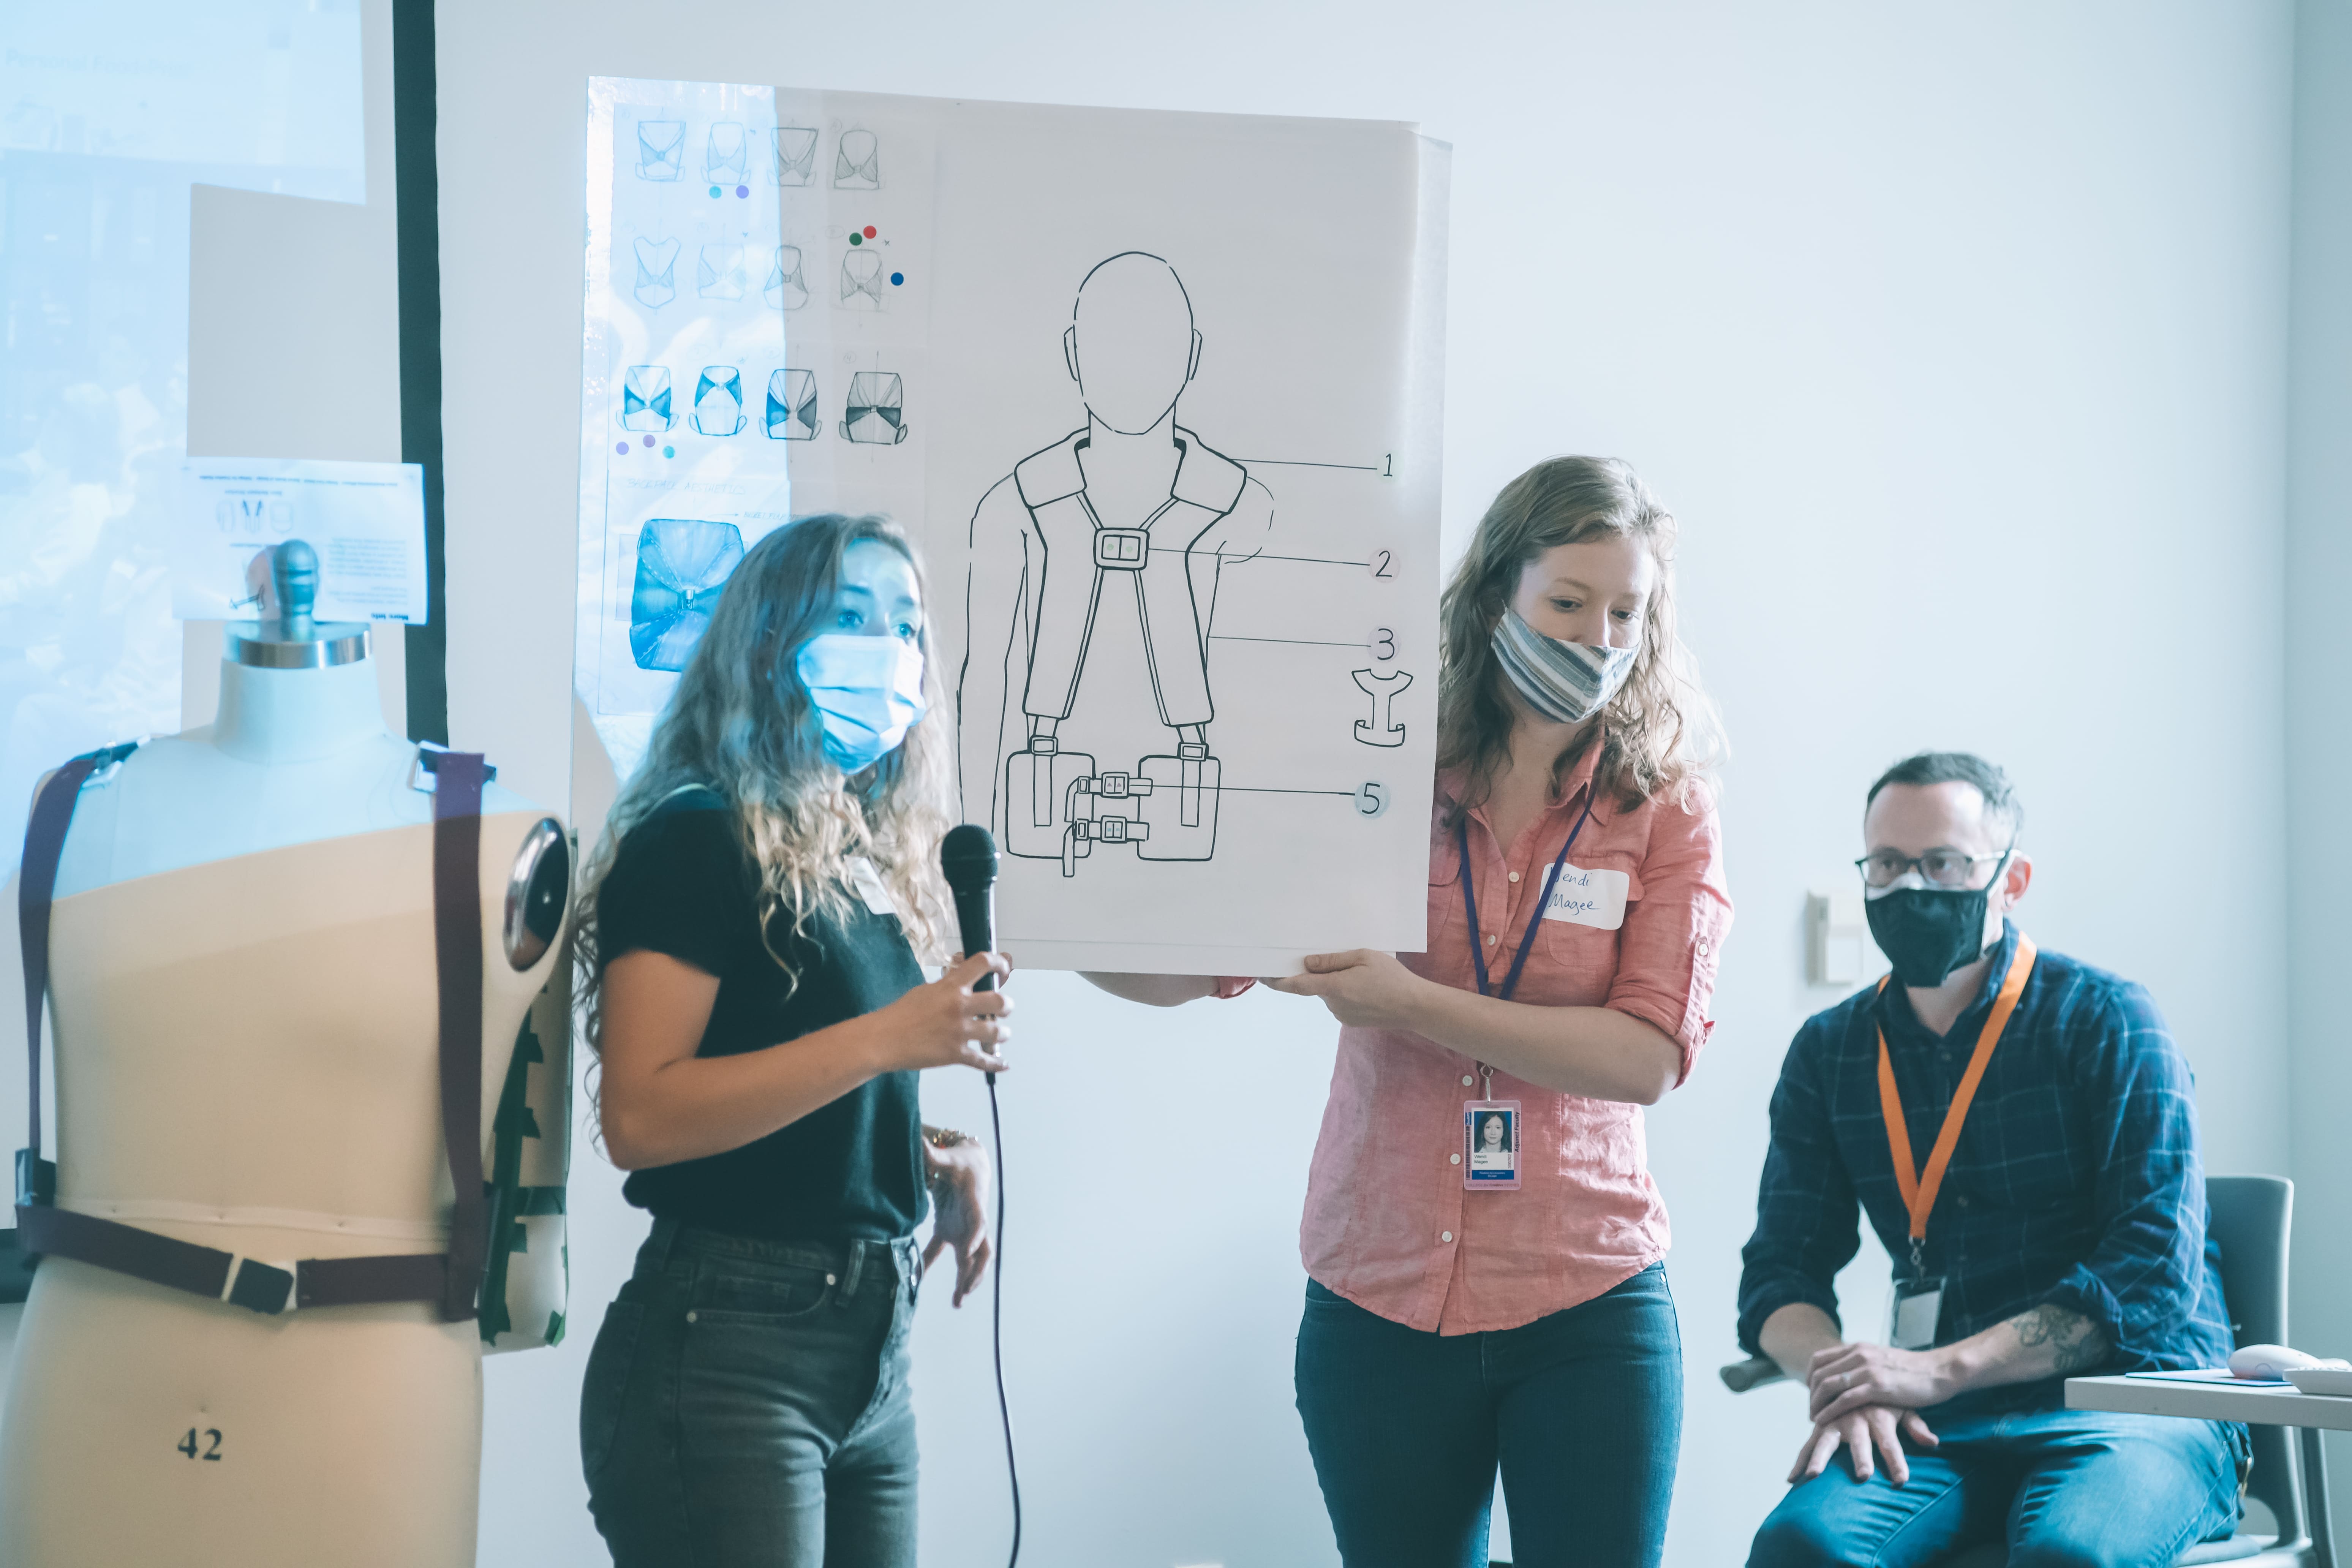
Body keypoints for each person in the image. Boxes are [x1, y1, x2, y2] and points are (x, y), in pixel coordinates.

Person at [1090, 455, 1732, 1568]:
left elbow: (1644, 1057)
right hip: (1377, 1288)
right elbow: (1203, 962)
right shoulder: (1379, 775)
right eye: (1568, 603)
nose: (1597, 639)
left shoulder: (1664, 805)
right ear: (1498, 596)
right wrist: (1062, 927)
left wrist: (1406, 1002)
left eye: (1627, 613)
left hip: (1587, 1294)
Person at [574, 514, 1013, 1568]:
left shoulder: (858, 850)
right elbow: (642, 1114)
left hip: (871, 1347)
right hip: (726, 1349)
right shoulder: (694, 835)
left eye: (906, 624)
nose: (890, 649)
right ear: (769, 643)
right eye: (851, 617)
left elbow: (793, 1076)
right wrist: (884, 1043)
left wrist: (913, 1155)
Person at [1739, 752, 2244, 1568]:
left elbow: (2146, 1278)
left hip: (2134, 1404)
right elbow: (1778, 1278)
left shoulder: (2111, 1021)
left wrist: (1934, 1370)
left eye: (1944, 863)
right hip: (1943, 1423)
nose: (1912, 888)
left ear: (2012, 880)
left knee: (2067, 1554)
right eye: (1890, 865)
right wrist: (1848, 1382)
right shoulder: (1830, 1052)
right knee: (1801, 1546)